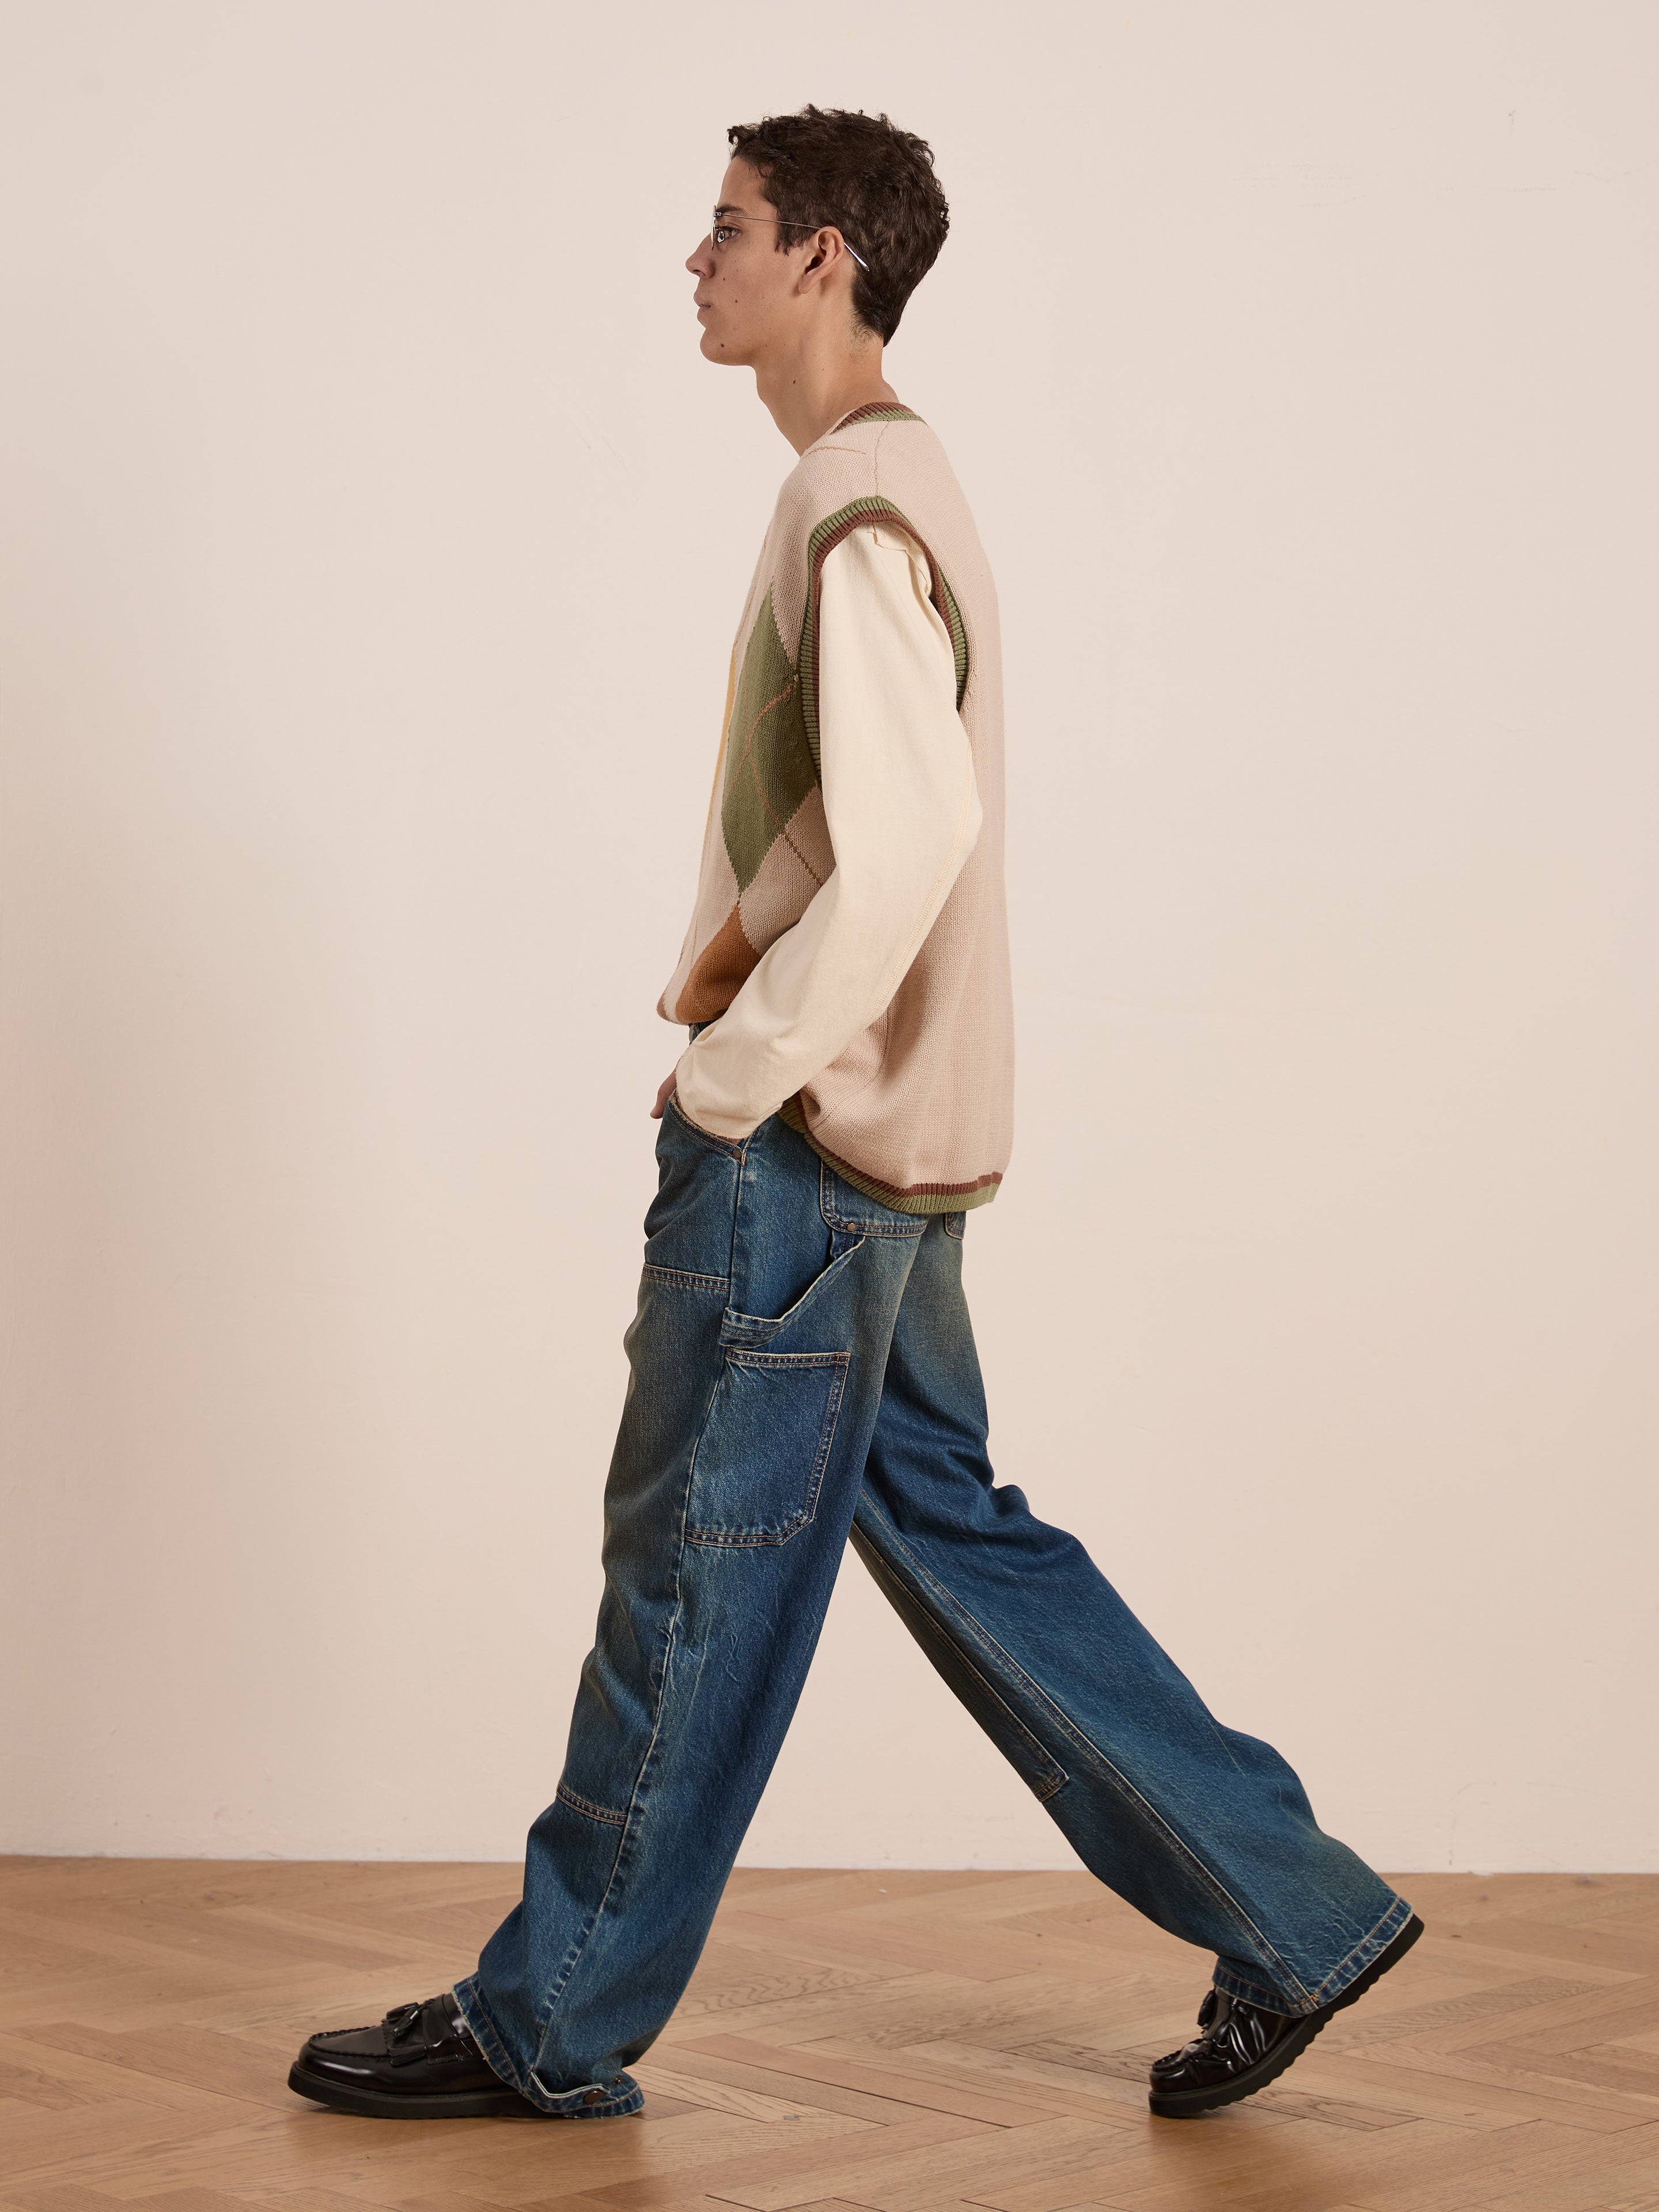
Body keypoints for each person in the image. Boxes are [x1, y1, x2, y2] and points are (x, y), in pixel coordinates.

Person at [289, 103, 1420, 2129]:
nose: (695, 260)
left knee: (686, 1582)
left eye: (724, 228)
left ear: (825, 257)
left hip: (803, 1168)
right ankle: (1292, 1901)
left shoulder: (859, 508)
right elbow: (883, 840)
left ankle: (548, 2018)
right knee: (966, 1548)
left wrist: (734, 1079)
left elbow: (906, 844)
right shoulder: (879, 487)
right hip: (890, 1159)